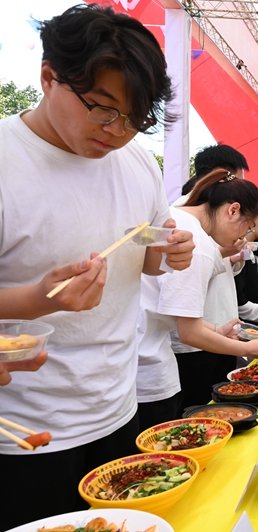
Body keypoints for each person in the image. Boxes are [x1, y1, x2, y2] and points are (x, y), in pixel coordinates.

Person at [0, 5, 196, 527]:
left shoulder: (137, 163)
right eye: (102, 109)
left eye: (136, 119)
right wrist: (36, 298)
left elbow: (148, 257)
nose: (117, 131)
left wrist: (170, 253)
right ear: (48, 77)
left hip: (118, 408)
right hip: (24, 434)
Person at [137, 169, 258, 426]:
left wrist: (215, 329)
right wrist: (247, 349)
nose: (242, 238)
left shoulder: (176, 217)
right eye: (248, 227)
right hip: (148, 369)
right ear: (232, 210)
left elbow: (169, 306)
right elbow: (189, 333)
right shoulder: (197, 243)